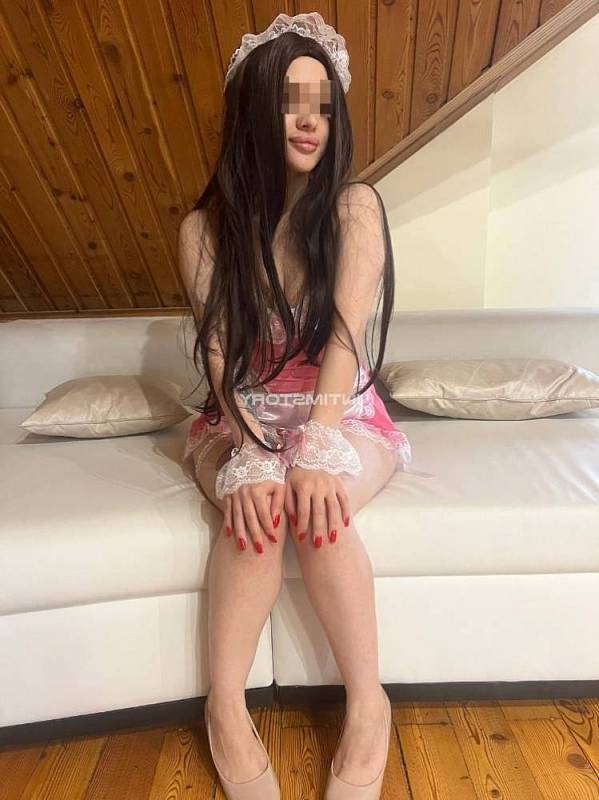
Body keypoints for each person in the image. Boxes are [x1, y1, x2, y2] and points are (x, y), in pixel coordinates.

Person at [176, 12, 412, 800]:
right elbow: (219, 356)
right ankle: (225, 708)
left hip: (337, 409)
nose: (310, 120)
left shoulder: (354, 207)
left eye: (322, 104)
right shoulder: (204, 230)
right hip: (240, 411)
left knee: (320, 508)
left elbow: (342, 338)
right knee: (256, 507)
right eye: (289, 101)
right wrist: (251, 452)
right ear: (253, 110)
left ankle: (368, 705)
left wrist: (315, 446)